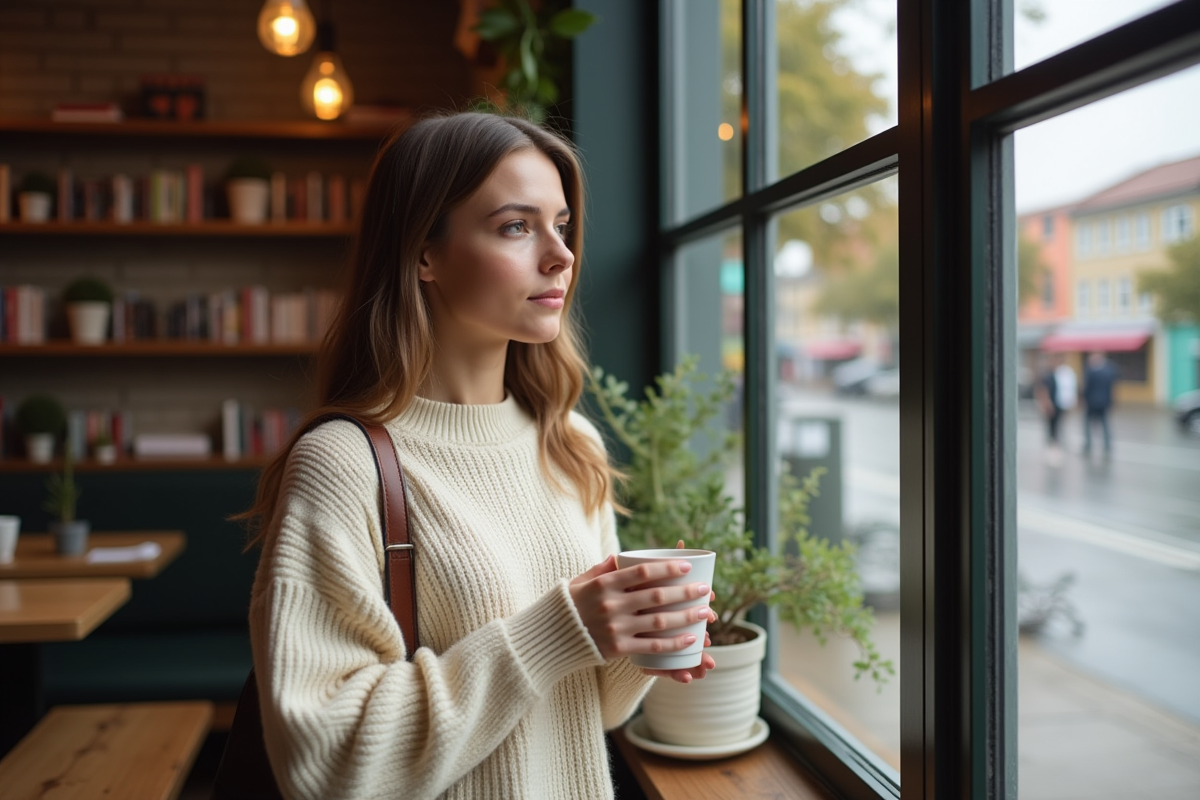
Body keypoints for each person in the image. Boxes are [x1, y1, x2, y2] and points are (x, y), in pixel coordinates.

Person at [238, 112, 717, 800]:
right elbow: (326, 761)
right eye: (516, 227)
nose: (561, 255)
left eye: (562, 225)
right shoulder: (343, 463)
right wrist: (565, 625)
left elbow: (592, 709)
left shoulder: (568, 442)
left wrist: (643, 640)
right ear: (423, 254)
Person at [1035, 353, 1076, 464]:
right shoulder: (1047, 375)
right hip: (1051, 405)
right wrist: (1046, 403)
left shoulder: (1058, 374)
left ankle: (1055, 446)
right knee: (1051, 426)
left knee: (1057, 425)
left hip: (1058, 404)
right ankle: (1051, 447)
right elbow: (1042, 390)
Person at [1082, 351, 1117, 456]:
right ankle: (1107, 446)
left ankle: (1088, 445)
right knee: (1105, 424)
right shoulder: (1109, 371)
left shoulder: (1091, 372)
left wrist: (1083, 399)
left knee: (1088, 424)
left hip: (1092, 402)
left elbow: (1086, 387)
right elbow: (1112, 387)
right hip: (1104, 402)